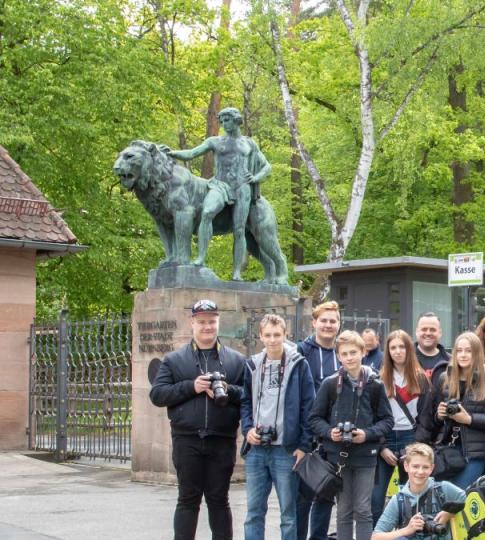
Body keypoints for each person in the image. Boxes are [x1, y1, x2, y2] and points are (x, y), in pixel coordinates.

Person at [149, 299, 246, 540]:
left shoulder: (236, 360)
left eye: (211, 322)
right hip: (186, 440)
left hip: (221, 440)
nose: (207, 327)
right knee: (187, 500)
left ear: (218, 323)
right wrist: (191, 387)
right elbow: (158, 395)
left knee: (219, 500)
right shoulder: (174, 359)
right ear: (192, 323)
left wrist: (228, 389)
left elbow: (249, 396)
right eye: (201, 322)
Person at [165, 107, 271, 279]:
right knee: (207, 213)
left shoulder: (249, 143)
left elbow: (267, 166)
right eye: (221, 121)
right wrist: (172, 153)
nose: (224, 124)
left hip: (242, 187)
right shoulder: (215, 141)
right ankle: (200, 258)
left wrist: (256, 177)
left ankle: (237, 272)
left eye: (227, 120)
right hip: (219, 185)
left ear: (236, 120)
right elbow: (192, 153)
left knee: (239, 229)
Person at [309, 330, 394, 540]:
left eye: (353, 352)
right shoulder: (330, 384)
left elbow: (387, 421)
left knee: (364, 510)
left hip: (366, 456)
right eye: (344, 353)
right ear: (338, 356)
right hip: (339, 457)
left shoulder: (375, 384)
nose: (349, 357)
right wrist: (330, 433)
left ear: (363, 352)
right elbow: (314, 419)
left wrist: (367, 434)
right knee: (344, 509)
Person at [241, 314, 316, 540]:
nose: (273, 340)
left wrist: (303, 445)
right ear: (260, 337)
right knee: (254, 512)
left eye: (277, 335)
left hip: (286, 449)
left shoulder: (299, 364)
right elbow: (244, 401)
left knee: (288, 514)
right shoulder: (253, 364)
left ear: (286, 335)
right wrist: (247, 429)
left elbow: (308, 406)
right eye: (268, 335)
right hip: (256, 449)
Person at [415, 332, 485, 489]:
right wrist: (440, 415)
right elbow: (434, 420)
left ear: (477, 353)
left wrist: (469, 419)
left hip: (476, 452)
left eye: (469, 351)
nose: (463, 355)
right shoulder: (446, 378)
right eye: (459, 350)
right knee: (442, 494)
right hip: (448, 449)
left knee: (458, 495)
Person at [371, 330, 431, 524]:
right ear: (387, 351)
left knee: (410, 496)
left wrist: (414, 445)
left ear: (409, 349)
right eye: (393, 347)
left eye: (402, 347)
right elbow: (372, 417)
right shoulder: (379, 379)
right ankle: (378, 535)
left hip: (410, 438)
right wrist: (381, 447)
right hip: (385, 438)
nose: (398, 351)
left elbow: (426, 417)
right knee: (376, 498)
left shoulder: (421, 378)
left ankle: (407, 534)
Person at [296, 301, 341, 540]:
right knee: (302, 497)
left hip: (333, 436)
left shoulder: (343, 353)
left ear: (339, 324)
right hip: (307, 435)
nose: (328, 325)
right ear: (314, 323)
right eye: (323, 320)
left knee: (326, 493)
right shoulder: (301, 351)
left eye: (333, 321)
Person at [372, 443, 466, 540]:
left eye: (425, 467)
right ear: (406, 466)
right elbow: (375, 537)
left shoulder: (443, 488)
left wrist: (450, 513)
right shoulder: (398, 500)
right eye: (415, 466)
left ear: (432, 468)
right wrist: (406, 530)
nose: (420, 472)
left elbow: (468, 499)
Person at [414, 312, 449, 385]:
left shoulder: (451, 362)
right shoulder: (405, 359)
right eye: (424, 329)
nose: (428, 333)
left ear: (440, 333)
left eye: (433, 330)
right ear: (417, 332)